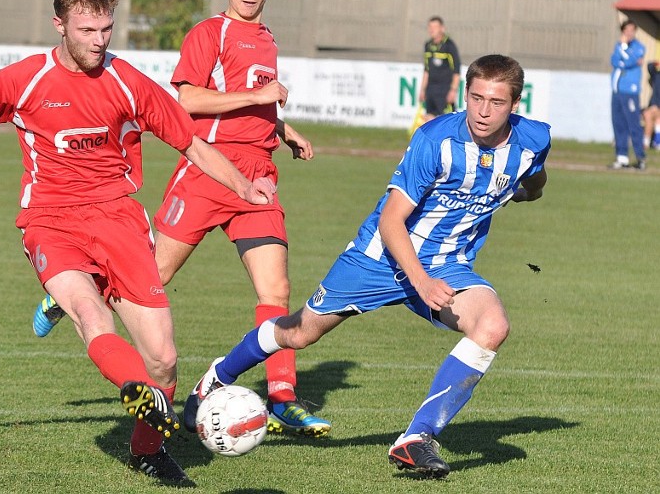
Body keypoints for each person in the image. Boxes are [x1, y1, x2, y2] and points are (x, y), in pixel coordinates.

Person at [0, 0, 277, 487]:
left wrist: (243, 187)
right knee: (86, 310)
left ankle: (146, 449)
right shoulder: (25, 80)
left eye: (107, 29)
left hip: (119, 221)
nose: (99, 41)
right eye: (87, 30)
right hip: (50, 222)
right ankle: (134, 388)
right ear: (59, 24)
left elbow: (191, 143)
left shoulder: (129, 82)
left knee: (165, 360)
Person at [183, 54, 550, 479]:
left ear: (515, 105)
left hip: (449, 263)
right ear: (465, 94)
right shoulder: (435, 140)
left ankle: (417, 439)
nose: (483, 112)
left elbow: (534, 176)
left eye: (497, 102)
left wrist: (525, 193)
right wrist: (421, 281)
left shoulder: (534, 139)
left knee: (493, 326)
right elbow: (391, 221)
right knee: (300, 333)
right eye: (476, 98)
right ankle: (217, 375)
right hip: (378, 258)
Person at [32, 0, 331, 437]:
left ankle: (282, 398)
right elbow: (188, 100)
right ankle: (71, 293)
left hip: (257, 177)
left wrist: (282, 128)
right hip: (207, 173)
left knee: (275, 290)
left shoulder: (267, 38)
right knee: (149, 278)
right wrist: (259, 97)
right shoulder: (209, 32)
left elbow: (253, 104)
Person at [609, 19, 646, 170]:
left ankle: (640, 157)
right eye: (626, 30)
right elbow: (614, 61)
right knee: (619, 124)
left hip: (630, 91)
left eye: (632, 30)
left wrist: (623, 50)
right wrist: (624, 58)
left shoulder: (638, 47)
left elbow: (631, 60)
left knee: (633, 124)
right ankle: (622, 157)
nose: (629, 33)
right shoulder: (618, 46)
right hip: (617, 91)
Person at [419, 16, 461, 124]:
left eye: (435, 27)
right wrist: (423, 89)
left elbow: (456, 70)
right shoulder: (428, 45)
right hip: (431, 89)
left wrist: (453, 90)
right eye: (430, 27)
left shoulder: (449, 46)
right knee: (429, 120)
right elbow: (426, 70)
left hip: (445, 89)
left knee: (447, 120)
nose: (431, 29)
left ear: (442, 28)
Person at [643, 60, 660, 151]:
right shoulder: (656, 75)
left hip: (657, 107)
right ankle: (646, 142)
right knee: (648, 116)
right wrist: (656, 62)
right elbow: (649, 66)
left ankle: (657, 142)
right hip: (653, 106)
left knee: (657, 118)